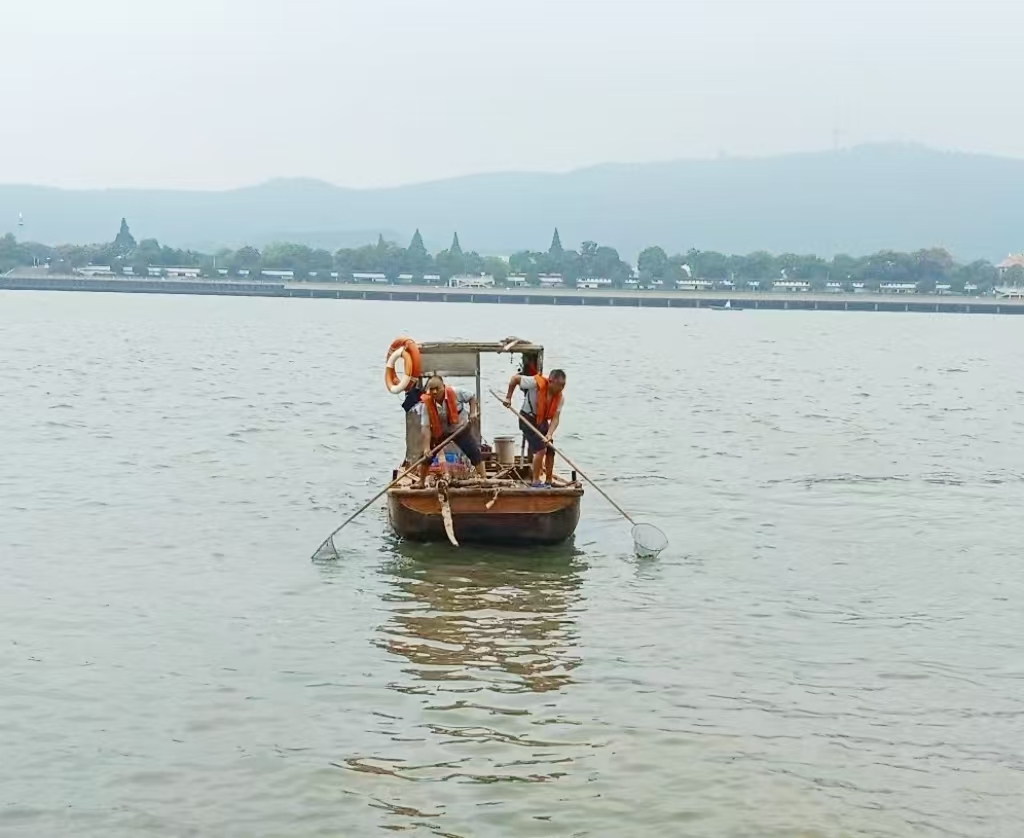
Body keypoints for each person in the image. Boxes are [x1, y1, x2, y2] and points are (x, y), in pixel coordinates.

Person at [415, 375, 486, 487]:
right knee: (426, 456)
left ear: (443, 386)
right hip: (440, 431)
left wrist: (473, 412)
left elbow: (472, 397)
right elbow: (426, 427)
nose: (434, 392)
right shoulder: (426, 404)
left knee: (474, 451)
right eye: (431, 389)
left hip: (459, 428)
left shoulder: (456, 392)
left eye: (437, 388)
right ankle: (421, 482)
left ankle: (484, 479)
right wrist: (426, 448)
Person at [503, 368, 566, 487]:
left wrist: (549, 434)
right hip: (527, 418)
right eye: (559, 385)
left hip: (541, 421)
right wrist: (508, 397)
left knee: (550, 448)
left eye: (563, 386)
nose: (560, 389)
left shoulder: (560, 398)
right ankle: (535, 481)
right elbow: (515, 379)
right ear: (551, 381)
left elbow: (555, 418)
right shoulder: (536, 383)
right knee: (540, 449)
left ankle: (549, 480)